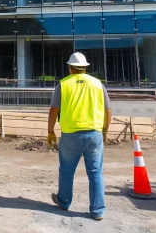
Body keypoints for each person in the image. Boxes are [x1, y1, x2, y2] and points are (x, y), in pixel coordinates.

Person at [47, 52, 111, 221]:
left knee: (66, 170)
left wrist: (50, 131)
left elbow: (54, 110)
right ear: (85, 67)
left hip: (70, 135)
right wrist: (104, 130)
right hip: (94, 134)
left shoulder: (63, 84)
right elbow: (107, 111)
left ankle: (64, 201)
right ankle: (97, 211)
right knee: (96, 173)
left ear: (70, 67)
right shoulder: (98, 84)